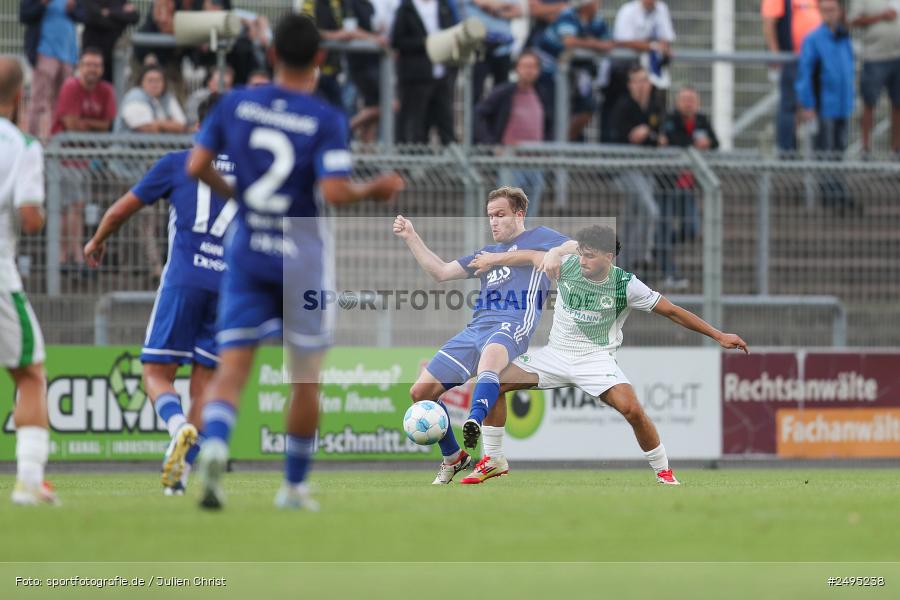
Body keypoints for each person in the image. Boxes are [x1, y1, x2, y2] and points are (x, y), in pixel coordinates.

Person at [186, 13, 404, 510]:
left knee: (233, 367)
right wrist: (375, 188)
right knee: (305, 376)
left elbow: (196, 165)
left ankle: (216, 444)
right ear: (321, 60)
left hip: (247, 250)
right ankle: (293, 487)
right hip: (300, 254)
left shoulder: (236, 104)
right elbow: (333, 191)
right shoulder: (325, 118)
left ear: (271, 54)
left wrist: (239, 195)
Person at [462, 225, 749, 485]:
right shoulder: (566, 265)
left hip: (595, 359)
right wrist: (497, 259)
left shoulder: (626, 285)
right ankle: (494, 460)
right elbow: (527, 256)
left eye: (590, 256)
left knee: (632, 410)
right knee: (492, 381)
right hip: (555, 355)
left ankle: (664, 471)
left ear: (609, 257)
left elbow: (672, 311)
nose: (583, 260)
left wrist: (719, 336)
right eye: (581, 254)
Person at [84, 94, 231, 496]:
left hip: (184, 279)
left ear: (198, 128)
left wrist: (96, 240)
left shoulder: (177, 163)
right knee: (204, 384)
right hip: (229, 289)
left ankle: (177, 427)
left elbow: (119, 211)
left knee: (155, 373)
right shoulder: (253, 176)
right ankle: (180, 476)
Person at [392, 186, 568, 483]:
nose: (494, 222)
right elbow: (441, 272)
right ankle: (453, 457)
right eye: (490, 216)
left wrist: (553, 253)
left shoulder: (540, 236)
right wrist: (411, 236)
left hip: (512, 324)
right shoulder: (486, 254)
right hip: (475, 329)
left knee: (490, 365)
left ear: (519, 214)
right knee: (420, 393)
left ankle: (474, 419)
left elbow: (576, 246)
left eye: (500, 215)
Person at [0, 56, 58, 505]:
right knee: (31, 373)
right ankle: (29, 481)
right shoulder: (21, 146)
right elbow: (29, 215)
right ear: (20, 95)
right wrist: (38, 215)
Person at [51, 47, 117, 276]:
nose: (92, 69)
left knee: (74, 207)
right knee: (70, 207)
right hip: (64, 157)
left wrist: (85, 124)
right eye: (88, 64)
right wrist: (92, 125)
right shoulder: (70, 86)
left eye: (96, 65)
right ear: (80, 67)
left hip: (85, 159)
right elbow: (70, 124)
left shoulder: (106, 90)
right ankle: (68, 258)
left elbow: (107, 125)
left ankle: (70, 257)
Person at [476, 51, 552, 217]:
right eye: (525, 66)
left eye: (533, 67)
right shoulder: (505, 92)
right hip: (512, 160)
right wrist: (492, 145)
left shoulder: (542, 93)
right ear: (517, 69)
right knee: (508, 211)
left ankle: (525, 243)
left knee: (529, 214)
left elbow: (549, 124)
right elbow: (479, 114)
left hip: (536, 162)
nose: (529, 71)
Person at [656, 86, 718, 288]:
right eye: (684, 99)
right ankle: (668, 269)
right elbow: (673, 140)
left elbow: (715, 142)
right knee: (664, 225)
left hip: (688, 185)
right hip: (668, 183)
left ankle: (658, 246)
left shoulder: (702, 120)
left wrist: (707, 142)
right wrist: (694, 143)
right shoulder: (671, 118)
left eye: (692, 99)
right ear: (677, 101)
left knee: (691, 227)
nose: (688, 103)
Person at [609, 66, 662, 274]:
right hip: (626, 168)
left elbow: (657, 134)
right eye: (636, 81)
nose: (641, 85)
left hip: (647, 168)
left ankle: (625, 262)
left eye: (645, 80)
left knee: (633, 214)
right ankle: (641, 256)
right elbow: (621, 136)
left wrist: (648, 133)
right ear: (630, 85)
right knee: (650, 210)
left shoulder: (655, 105)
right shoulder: (622, 106)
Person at [536, 0, 614, 141]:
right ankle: (555, 145)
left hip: (575, 74)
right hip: (548, 75)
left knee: (588, 107)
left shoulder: (596, 20)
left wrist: (589, 44)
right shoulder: (568, 15)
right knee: (553, 114)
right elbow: (569, 42)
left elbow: (609, 43)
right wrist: (595, 44)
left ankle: (564, 140)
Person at [603, 0, 675, 142]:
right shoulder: (628, 11)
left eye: (643, 82)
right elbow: (622, 41)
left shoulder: (661, 9)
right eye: (637, 83)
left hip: (653, 73)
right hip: (624, 70)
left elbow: (666, 39)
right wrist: (651, 45)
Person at [392, 0, 458, 144]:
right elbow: (397, 40)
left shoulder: (443, 6)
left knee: (445, 120)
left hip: (441, 74)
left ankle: (451, 158)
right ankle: (414, 160)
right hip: (416, 76)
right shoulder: (406, 8)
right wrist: (426, 42)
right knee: (416, 124)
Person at [761, 0, 821, 153]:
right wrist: (775, 55)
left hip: (815, 59)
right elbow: (768, 22)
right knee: (789, 105)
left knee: (814, 105)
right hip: (791, 60)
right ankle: (787, 152)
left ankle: (818, 153)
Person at [849, 0, 900, 155]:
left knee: (898, 104)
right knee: (869, 103)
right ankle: (866, 149)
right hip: (874, 58)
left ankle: (896, 150)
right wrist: (881, 16)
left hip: (897, 57)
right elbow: (853, 20)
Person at [23, 0, 80, 139]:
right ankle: (32, 140)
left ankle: (55, 140)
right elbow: (24, 15)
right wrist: (42, 4)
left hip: (68, 55)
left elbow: (84, 16)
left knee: (62, 102)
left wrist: (72, 9)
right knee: (38, 99)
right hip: (45, 52)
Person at [464, 0, 522, 106]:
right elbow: (481, 3)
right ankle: (475, 122)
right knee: (475, 92)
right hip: (478, 48)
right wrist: (503, 6)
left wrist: (495, 10)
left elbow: (518, 11)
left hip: (502, 48)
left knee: (502, 93)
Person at [75, 0, 141, 84]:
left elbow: (134, 17)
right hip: (92, 54)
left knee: (111, 88)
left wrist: (109, 12)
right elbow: (93, 17)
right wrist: (120, 16)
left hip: (113, 57)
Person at [114, 65, 188, 133]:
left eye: (158, 80)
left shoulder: (167, 97)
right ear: (141, 83)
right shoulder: (135, 96)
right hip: (127, 147)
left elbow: (182, 126)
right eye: (150, 80)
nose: (155, 84)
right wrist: (169, 124)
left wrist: (158, 124)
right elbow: (147, 129)